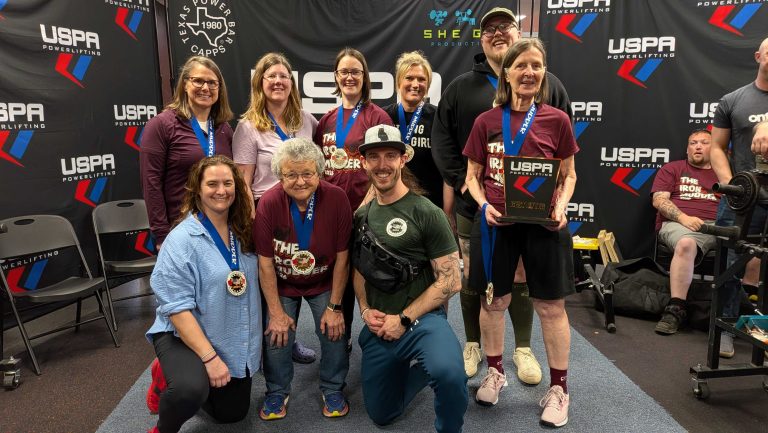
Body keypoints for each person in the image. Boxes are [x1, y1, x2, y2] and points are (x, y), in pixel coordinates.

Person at [431, 7, 571, 382]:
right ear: (481, 39)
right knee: (477, 278)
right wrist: (466, 185)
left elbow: (563, 154)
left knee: (523, 279)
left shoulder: (551, 86)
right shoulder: (460, 88)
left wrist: (558, 198)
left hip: (535, 211)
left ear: (517, 33)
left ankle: (522, 348)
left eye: (505, 26)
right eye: (489, 29)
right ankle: (473, 345)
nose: (497, 33)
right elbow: (442, 143)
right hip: (479, 206)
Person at [463, 38, 578, 427]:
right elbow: (472, 177)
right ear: (507, 73)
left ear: (544, 72)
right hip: (497, 224)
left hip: (544, 224)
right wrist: (484, 205)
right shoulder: (486, 122)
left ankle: (559, 389)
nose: (529, 72)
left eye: (536, 65)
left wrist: (561, 206)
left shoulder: (557, 120)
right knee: (493, 301)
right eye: (521, 65)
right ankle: (495, 372)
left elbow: (569, 175)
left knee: (551, 307)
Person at [352, 124, 467, 433]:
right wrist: (365, 309)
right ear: (364, 163)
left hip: (420, 320)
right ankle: (419, 368)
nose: (382, 165)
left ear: (403, 159)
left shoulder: (426, 212)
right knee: (382, 414)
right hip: (378, 324)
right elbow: (359, 270)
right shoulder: (361, 216)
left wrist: (403, 319)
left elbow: (451, 281)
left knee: (449, 374)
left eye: (390, 155)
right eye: (374, 157)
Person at [145, 155, 261, 433]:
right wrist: (209, 359)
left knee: (232, 413)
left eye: (228, 183)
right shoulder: (181, 240)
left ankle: (177, 373)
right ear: (197, 189)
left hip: (226, 331)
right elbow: (177, 310)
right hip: (181, 333)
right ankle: (163, 420)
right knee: (189, 391)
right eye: (212, 184)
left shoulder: (244, 230)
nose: (221, 190)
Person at [254, 138, 352, 420]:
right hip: (283, 282)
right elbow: (265, 263)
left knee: (335, 331)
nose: (300, 181)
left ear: (319, 172)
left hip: (323, 280)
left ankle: (333, 387)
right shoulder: (269, 202)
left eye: (307, 173)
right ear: (279, 175)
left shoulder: (337, 198)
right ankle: (276, 391)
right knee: (276, 334)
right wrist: (275, 312)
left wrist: (335, 306)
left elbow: (343, 258)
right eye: (291, 174)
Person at [233, 52, 318, 365]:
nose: (278, 81)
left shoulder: (306, 121)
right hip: (267, 212)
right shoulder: (248, 127)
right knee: (270, 281)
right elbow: (243, 181)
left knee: (297, 275)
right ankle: (267, 346)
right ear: (260, 83)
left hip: (304, 211)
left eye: (284, 76)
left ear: (291, 83)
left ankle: (290, 338)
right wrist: (254, 220)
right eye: (272, 76)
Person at [314, 47, 394, 348]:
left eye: (355, 72)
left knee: (375, 274)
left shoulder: (378, 117)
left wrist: (365, 207)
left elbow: (386, 168)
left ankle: (383, 335)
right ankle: (342, 336)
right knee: (340, 276)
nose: (349, 77)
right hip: (334, 214)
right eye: (344, 72)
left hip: (368, 211)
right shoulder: (327, 120)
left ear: (364, 76)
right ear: (336, 77)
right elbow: (319, 168)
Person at [709, 36, 768, 358]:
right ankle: (726, 327)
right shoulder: (733, 100)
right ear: (758, 56)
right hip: (745, 197)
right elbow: (717, 147)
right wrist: (731, 186)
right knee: (731, 263)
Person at [140, 55, 234, 249]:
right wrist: (161, 235)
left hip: (222, 228)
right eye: (198, 81)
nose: (205, 88)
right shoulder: (161, 125)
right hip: (180, 229)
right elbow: (151, 183)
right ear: (184, 84)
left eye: (212, 83)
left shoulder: (224, 129)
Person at [651, 129, 720, 335]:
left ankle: (747, 304)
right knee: (686, 243)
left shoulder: (725, 173)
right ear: (687, 149)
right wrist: (684, 218)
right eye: (693, 143)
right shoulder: (673, 168)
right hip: (678, 223)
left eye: (704, 143)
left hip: (716, 225)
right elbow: (659, 200)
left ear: (716, 148)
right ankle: (676, 309)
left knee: (754, 239)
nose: (698, 146)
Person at [382, 51, 452, 218]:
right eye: (409, 78)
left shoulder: (439, 117)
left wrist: (448, 213)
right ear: (399, 82)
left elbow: (448, 169)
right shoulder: (384, 117)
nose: (415, 84)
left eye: (421, 79)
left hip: (431, 207)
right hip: (391, 205)